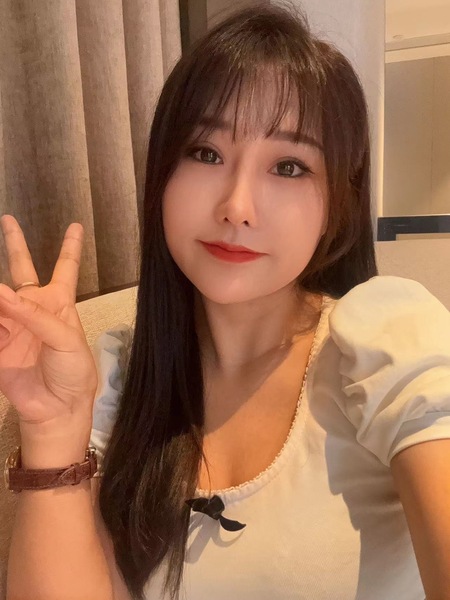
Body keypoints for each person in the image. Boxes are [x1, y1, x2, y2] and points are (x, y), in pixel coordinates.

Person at [2, 2, 450, 599]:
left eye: (288, 166)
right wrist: (53, 427)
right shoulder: (120, 378)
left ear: (338, 203)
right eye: (206, 153)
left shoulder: (388, 345)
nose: (237, 206)